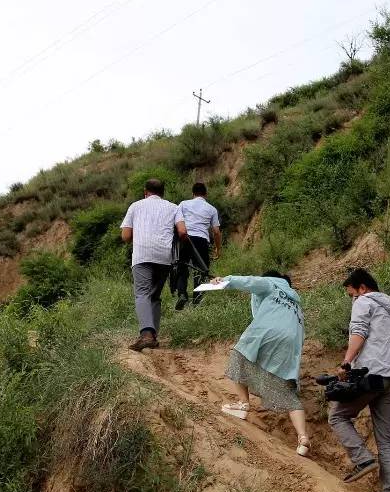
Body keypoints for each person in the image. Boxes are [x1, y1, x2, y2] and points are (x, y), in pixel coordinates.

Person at [330, 268, 390, 492]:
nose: (352, 299)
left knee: (337, 416)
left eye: (351, 294)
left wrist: (346, 362)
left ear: (362, 288)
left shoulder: (364, 302)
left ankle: (363, 459)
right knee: (386, 440)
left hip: (371, 374)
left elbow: (359, 333)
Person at [209, 271, 311, 456]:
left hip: (268, 330)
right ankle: (303, 439)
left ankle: (243, 404)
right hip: (291, 343)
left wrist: (224, 281)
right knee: (286, 391)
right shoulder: (296, 304)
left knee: (238, 355)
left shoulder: (270, 283)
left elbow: (249, 281)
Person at [121, 179, 187, 351]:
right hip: (164, 256)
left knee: (142, 293)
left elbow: (126, 236)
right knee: (155, 296)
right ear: (162, 193)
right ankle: (153, 335)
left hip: (142, 255)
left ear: (145, 192)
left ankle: (146, 335)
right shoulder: (174, 207)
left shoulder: (135, 206)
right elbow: (182, 231)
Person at [172, 182, 222, 310]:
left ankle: (182, 294)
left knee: (182, 267)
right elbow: (216, 231)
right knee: (201, 271)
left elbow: (176, 222)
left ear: (192, 194)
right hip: (202, 241)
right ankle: (197, 301)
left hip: (186, 238)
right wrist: (218, 248)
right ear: (206, 194)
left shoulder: (183, 204)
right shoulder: (211, 209)